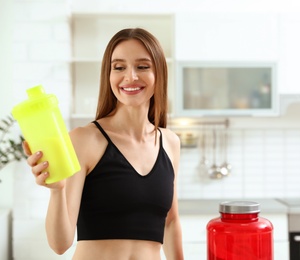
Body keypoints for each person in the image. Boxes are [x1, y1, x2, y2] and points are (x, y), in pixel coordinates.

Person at [23, 28, 184, 260]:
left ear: (159, 73)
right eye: (119, 67)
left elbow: (171, 223)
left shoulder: (170, 142)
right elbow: (59, 244)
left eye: (142, 66)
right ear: (108, 75)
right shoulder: (85, 139)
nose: (130, 77)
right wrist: (57, 191)